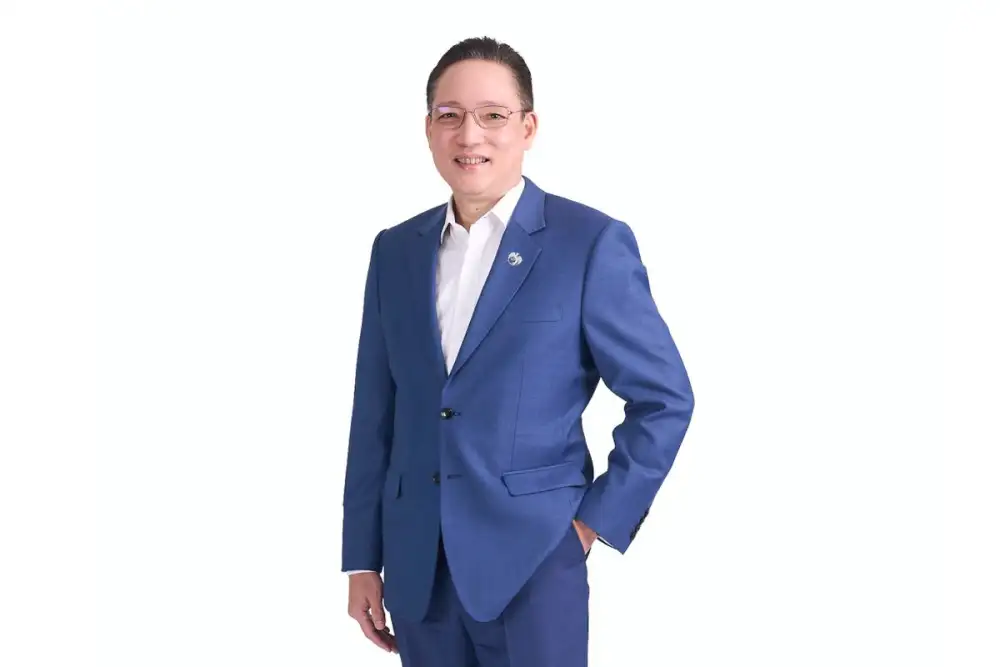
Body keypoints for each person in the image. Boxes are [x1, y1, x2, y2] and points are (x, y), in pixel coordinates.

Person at [341, 36, 695, 667]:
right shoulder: (394, 251)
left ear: (527, 127)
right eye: (450, 115)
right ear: (428, 129)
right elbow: (376, 413)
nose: (469, 134)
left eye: (492, 115)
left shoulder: (589, 242)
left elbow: (664, 398)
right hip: (417, 564)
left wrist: (590, 524)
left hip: (535, 561)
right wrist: (362, 556)